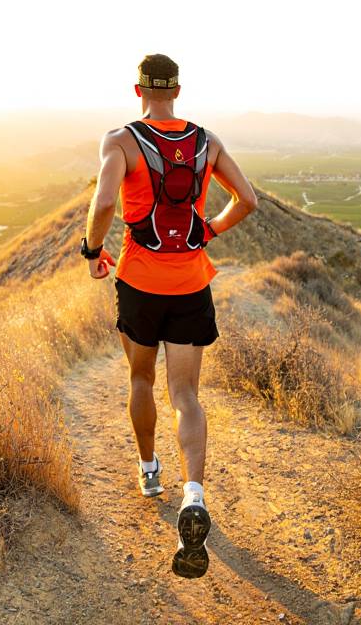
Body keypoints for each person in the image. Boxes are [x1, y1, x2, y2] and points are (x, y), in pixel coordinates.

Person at [81, 53, 258, 579]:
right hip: (190, 283)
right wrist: (208, 230)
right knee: (186, 396)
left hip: (138, 281)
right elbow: (246, 200)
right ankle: (194, 496)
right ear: (177, 90)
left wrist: (93, 252)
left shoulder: (120, 140)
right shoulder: (208, 140)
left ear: (139, 90)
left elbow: (106, 200)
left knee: (140, 378)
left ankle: (150, 472)